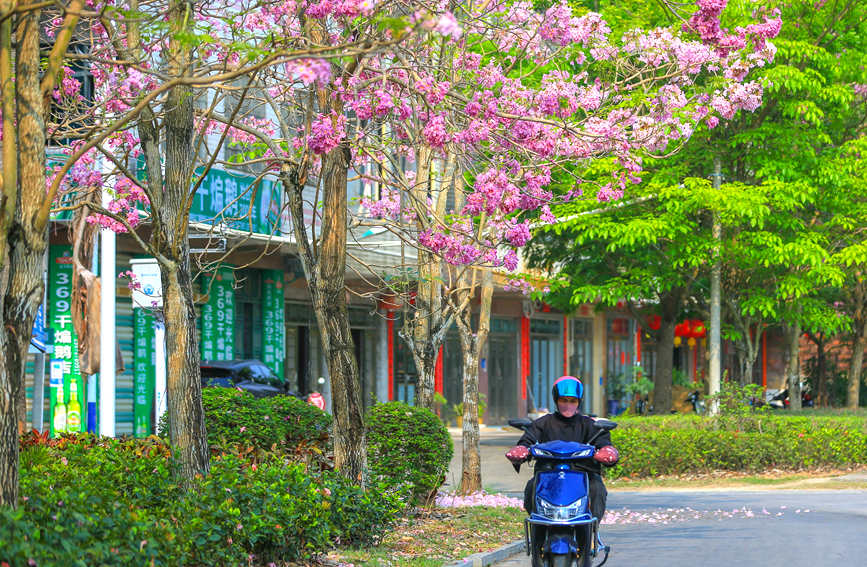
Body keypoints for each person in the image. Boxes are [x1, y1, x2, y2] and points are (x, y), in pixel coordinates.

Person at [505, 375, 619, 520]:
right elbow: (528, 439)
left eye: (572, 401)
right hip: (548, 475)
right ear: (556, 400)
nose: (568, 404)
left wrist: (606, 451)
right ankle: (537, 531)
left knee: (597, 488)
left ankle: (591, 532)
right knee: (531, 486)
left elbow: (603, 443)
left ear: (579, 401)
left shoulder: (590, 424)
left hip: (583, 475)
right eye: (563, 400)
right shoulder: (543, 423)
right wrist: (521, 449)